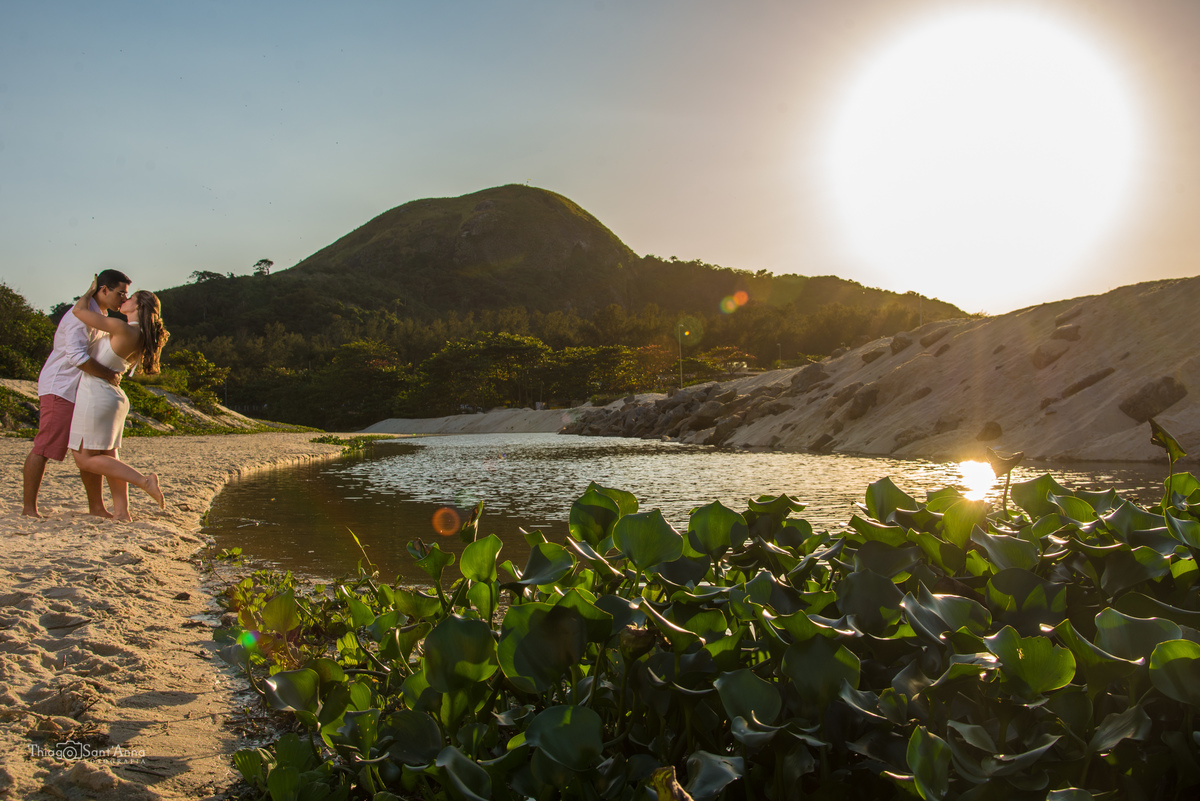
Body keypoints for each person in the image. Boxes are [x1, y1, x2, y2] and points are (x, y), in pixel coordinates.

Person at [22, 270, 131, 518]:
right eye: (121, 293)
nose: (124, 299)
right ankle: (29, 509)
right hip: (61, 388)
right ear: (104, 290)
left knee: (88, 448)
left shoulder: (98, 315)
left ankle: (97, 508)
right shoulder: (79, 317)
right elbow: (76, 357)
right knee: (44, 447)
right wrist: (108, 375)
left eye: (126, 294)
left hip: (82, 390)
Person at [67, 276, 170, 520]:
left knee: (84, 459)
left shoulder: (123, 328)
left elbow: (78, 311)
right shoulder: (141, 335)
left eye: (130, 297)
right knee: (110, 455)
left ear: (139, 306)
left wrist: (91, 290)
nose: (125, 299)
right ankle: (122, 512)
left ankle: (144, 481)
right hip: (111, 397)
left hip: (97, 395)